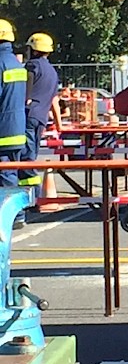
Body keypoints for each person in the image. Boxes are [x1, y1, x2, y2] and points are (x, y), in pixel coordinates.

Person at [17, 32, 61, 225]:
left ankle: (28, 200)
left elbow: (25, 90)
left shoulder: (32, 66)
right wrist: (58, 125)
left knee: (25, 159)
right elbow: (54, 100)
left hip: (28, 117)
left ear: (33, 49)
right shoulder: (52, 72)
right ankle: (32, 198)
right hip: (41, 119)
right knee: (31, 157)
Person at [0, 19, 28, 221]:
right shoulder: (14, 63)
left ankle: (14, 217)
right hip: (17, 128)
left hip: (2, 131)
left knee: (5, 175)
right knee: (11, 172)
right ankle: (18, 213)